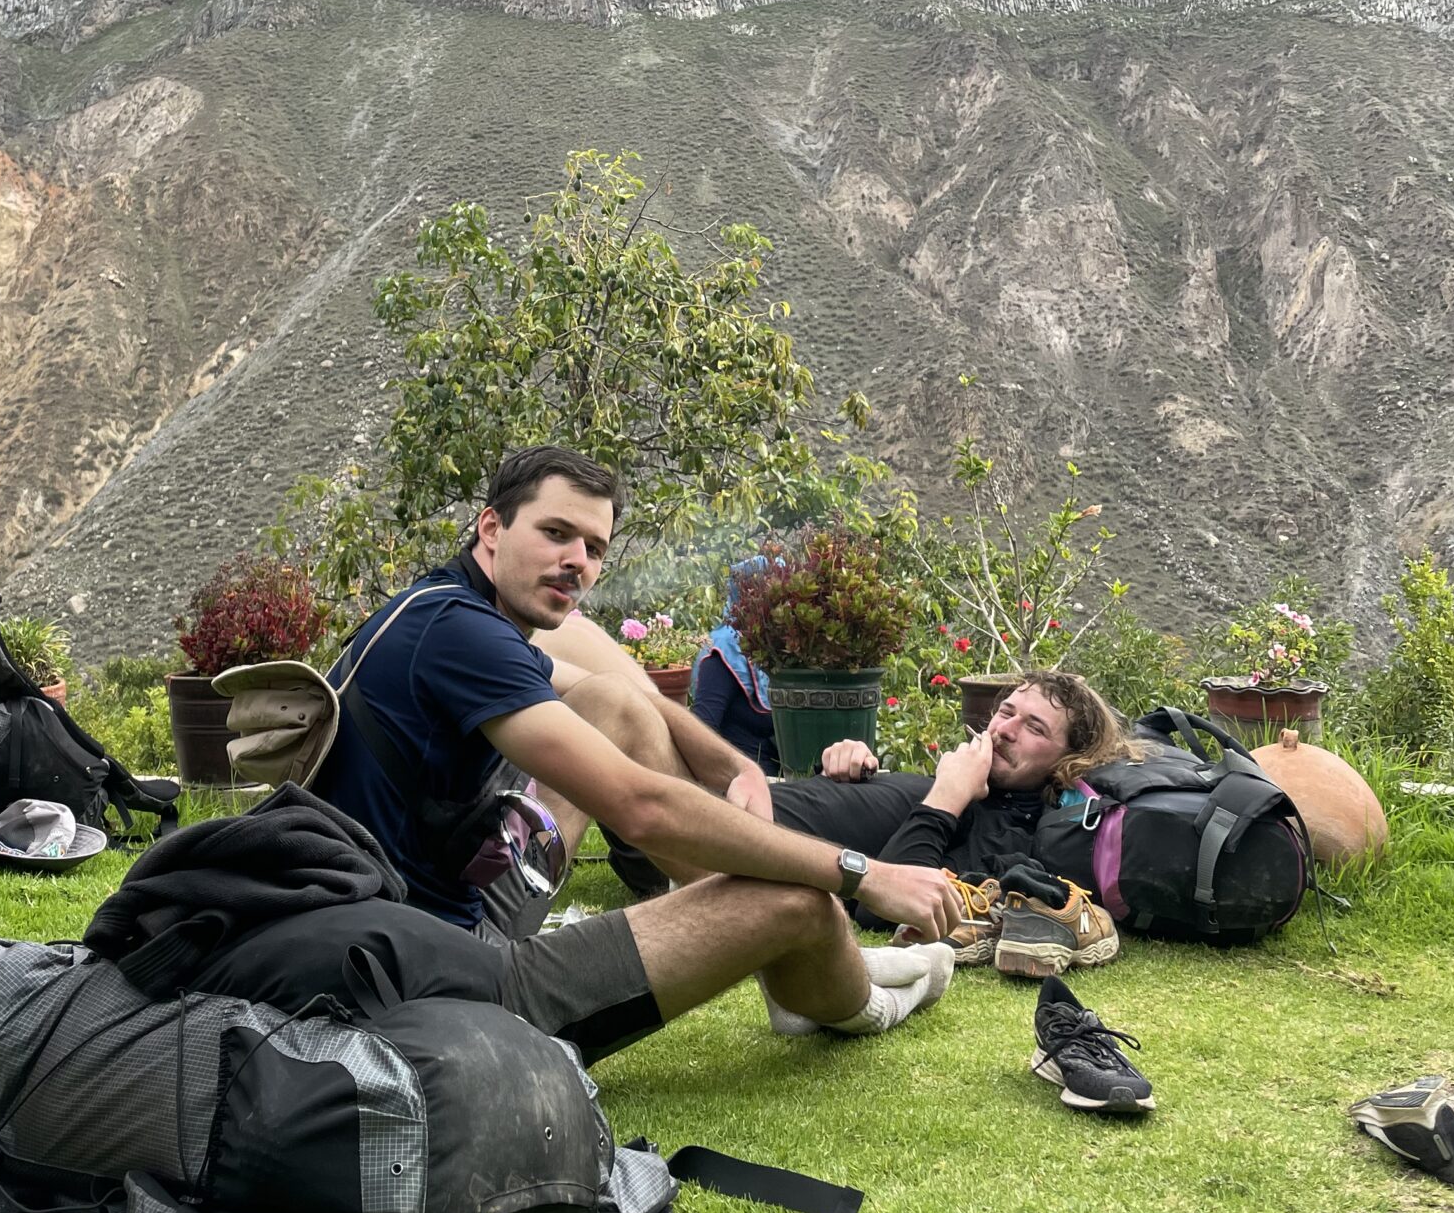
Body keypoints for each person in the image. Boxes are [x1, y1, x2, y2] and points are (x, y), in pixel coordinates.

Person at [299, 443, 963, 1061]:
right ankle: (858, 999)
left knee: (613, 703)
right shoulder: (459, 633)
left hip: (430, 914)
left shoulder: (444, 608)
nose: (577, 562)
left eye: (593, 547)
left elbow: (613, 695)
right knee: (800, 903)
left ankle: (794, 964)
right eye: (556, 533)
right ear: (492, 528)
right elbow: (643, 809)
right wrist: (863, 873)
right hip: (431, 985)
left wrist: (735, 765)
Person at [764, 672, 1143, 979]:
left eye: (1035, 728)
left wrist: (948, 795)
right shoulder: (968, 787)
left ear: (1070, 761)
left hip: (757, 846)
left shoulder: (1008, 833)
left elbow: (885, 909)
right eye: (1006, 712)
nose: (1005, 730)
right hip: (756, 807)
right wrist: (845, 765)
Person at [687, 559, 779, 776]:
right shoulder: (724, 651)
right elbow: (702, 728)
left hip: (790, 775)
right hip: (746, 778)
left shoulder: (782, 648)